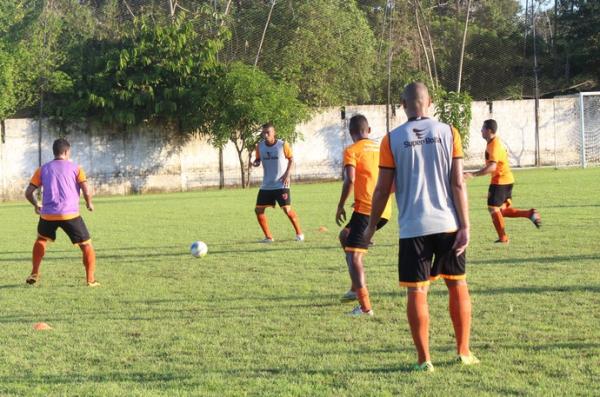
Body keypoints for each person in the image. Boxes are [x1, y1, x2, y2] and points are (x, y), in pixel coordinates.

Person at [365, 82, 478, 372]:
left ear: (402, 104)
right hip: (448, 223)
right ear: (430, 102)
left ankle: (424, 359)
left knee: (417, 292)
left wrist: (369, 229)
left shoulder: (391, 139)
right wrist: (465, 225)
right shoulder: (449, 132)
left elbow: (381, 190)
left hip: (413, 227)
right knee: (458, 285)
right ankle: (463, 351)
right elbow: (457, 183)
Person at [335, 115, 392, 316]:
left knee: (354, 256)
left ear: (351, 133)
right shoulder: (382, 147)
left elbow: (349, 179)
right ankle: (354, 288)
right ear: (368, 129)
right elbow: (393, 178)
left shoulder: (351, 150)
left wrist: (340, 205)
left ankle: (365, 306)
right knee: (345, 236)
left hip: (366, 210)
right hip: (384, 210)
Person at [24, 138, 99, 287]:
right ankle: (90, 280)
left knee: (41, 240)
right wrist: (89, 203)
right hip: (70, 214)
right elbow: (86, 190)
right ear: (66, 152)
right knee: (86, 245)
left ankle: (34, 272)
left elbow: (28, 192)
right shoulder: (76, 168)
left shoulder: (42, 169)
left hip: (48, 214)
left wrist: (36, 204)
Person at [464, 119, 541, 243]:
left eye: (483, 128)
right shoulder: (494, 142)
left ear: (489, 130)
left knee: (493, 209)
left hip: (499, 181)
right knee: (502, 211)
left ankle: (503, 238)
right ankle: (529, 214)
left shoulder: (494, 145)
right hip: (507, 179)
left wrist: (473, 174)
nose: (481, 131)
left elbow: (492, 167)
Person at [252, 123, 303, 242]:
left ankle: (299, 233)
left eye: (267, 132)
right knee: (258, 210)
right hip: (266, 185)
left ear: (274, 133)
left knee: (287, 210)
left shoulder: (282, 145)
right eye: (263, 132)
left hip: (281, 184)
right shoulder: (259, 146)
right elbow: (258, 159)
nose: (265, 135)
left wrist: (287, 174)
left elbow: (291, 159)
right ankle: (268, 237)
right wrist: (256, 162)